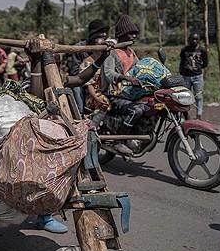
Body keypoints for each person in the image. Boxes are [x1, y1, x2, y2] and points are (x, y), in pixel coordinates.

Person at [25, 36, 113, 234]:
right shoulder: (34, 80)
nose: (53, 69)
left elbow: (82, 78)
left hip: (61, 137)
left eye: (55, 64)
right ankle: (44, 216)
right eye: (50, 64)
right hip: (40, 139)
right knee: (43, 178)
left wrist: (101, 59)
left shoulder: (61, 80)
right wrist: (36, 61)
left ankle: (48, 212)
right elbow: (34, 94)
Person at [99, 14, 143, 155]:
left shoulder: (131, 52)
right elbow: (109, 74)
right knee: (135, 110)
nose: (134, 37)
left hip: (131, 92)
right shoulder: (111, 53)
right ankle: (119, 141)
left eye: (135, 34)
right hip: (114, 94)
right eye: (131, 33)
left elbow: (141, 68)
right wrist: (126, 79)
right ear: (122, 34)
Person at [68, 20, 110, 114]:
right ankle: (79, 113)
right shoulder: (79, 48)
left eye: (105, 32)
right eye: (100, 32)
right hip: (82, 81)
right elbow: (75, 73)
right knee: (76, 88)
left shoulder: (106, 47)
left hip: (98, 83)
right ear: (93, 34)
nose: (104, 35)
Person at [179, 33, 208, 120]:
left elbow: (205, 63)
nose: (194, 41)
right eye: (192, 39)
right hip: (186, 76)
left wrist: (197, 69)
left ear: (199, 40)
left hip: (197, 76)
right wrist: (182, 71)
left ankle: (199, 115)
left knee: (199, 96)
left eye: (196, 39)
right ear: (189, 40)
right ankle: (186, 115)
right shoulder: (184, 50)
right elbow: (182, 61)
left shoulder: (202, 50)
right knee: (186, 96)